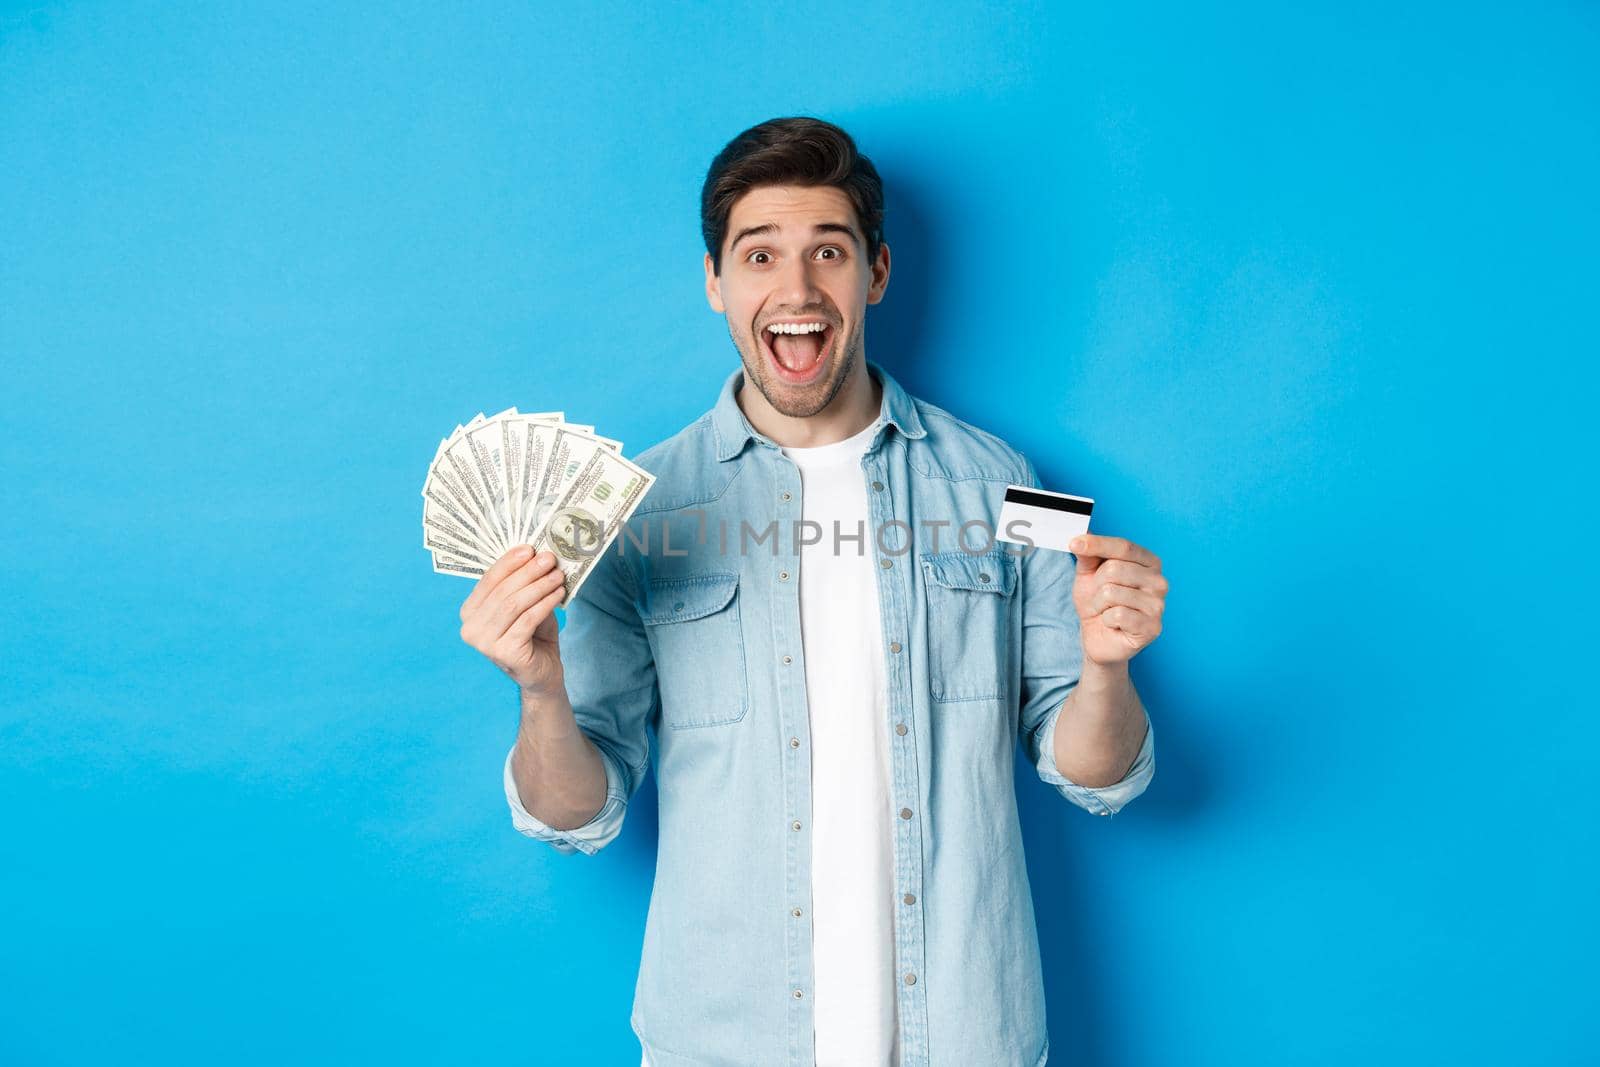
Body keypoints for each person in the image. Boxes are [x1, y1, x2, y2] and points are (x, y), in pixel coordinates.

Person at [458, 116, 1167, 1067]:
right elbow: (574, 815)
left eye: (827, 251)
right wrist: (540, 687)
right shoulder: (628, 508)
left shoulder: (1009, 481)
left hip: (965, 1036)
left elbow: (1095, 775)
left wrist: (1108, 667)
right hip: (724, 1040)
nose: (795, 290)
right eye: (759, 255)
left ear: (873, 273)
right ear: (715, 282)